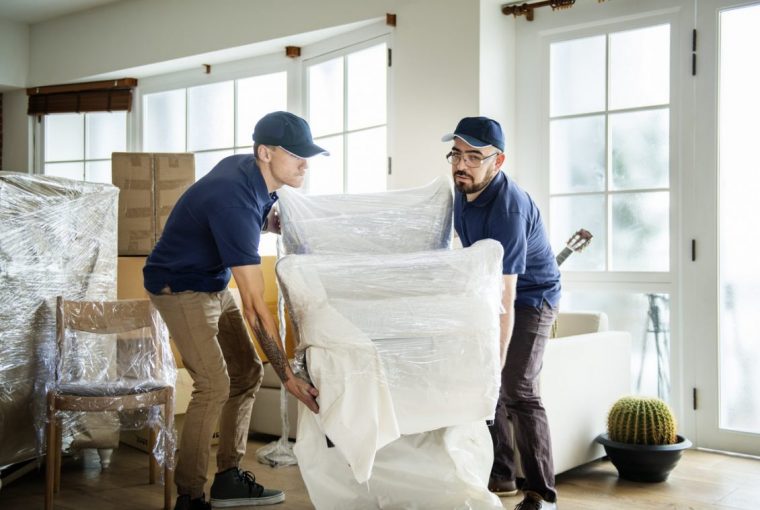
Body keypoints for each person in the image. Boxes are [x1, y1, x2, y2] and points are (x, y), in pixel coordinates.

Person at [143, 111, 326, 510]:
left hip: (211, 280)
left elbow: (245, 216)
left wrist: (274, 222)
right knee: (214, 384)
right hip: (178, 286)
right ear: (265, 152)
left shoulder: (253, 174)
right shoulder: (234, 196)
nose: (305, 163)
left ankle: (227, 478)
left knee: (247, 372)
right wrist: (290, 377)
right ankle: (190, 496)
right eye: (296, 154)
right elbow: (256, 310)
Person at [442, 117, 561, 510]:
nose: (462, 164)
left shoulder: (508, 209)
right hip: (489, 290)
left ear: (498, 161)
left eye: (474, 156)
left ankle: (542, 494)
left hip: (532, 296)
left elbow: (507, 297)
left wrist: (497, 355)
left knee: (517, 387)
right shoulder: (463, 189)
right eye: (457, 154)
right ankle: (503, 474)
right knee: (485, 378)